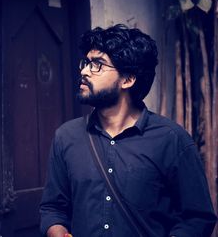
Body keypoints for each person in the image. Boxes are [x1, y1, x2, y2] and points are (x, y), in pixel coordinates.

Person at [39, 24, 217, 237]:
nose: (84, 71)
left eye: (98, 64)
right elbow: (53, 209)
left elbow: (197, 217)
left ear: (128, 79)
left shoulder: (172, 139)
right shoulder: (66, 137)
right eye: (86, 62)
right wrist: (56, 231)